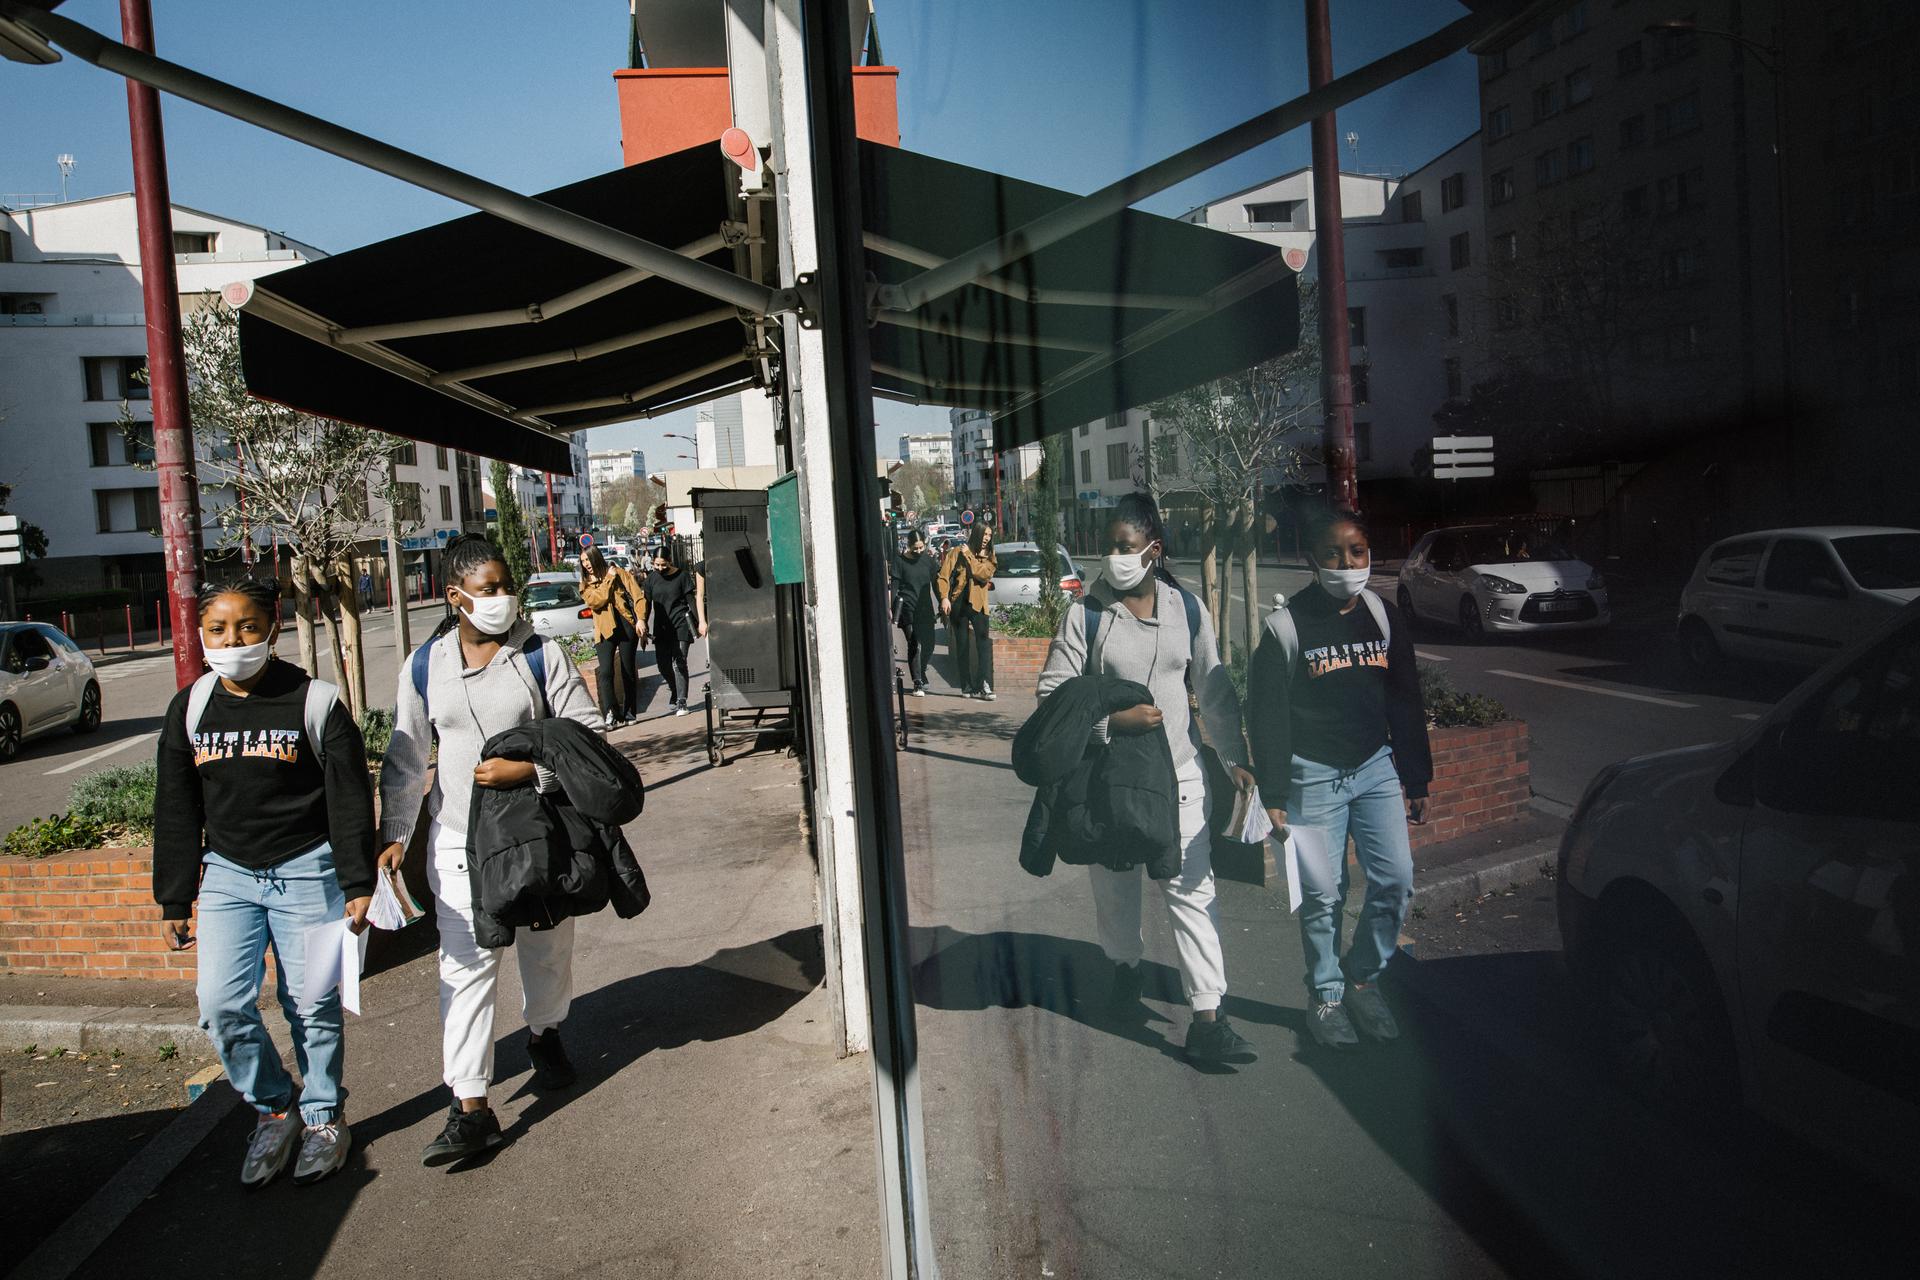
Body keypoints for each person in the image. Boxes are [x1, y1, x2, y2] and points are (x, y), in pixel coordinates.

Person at [376, 535, 603, 1165]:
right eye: (490, 588)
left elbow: (589, 738)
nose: (504, 598)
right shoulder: (423, 668)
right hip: (457, 841)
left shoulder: (539, 656)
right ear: (456, 597)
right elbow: (403, 757)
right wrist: (393, 835)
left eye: (508, 586)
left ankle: (544, 1030)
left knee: (545, 948)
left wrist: (530, 774)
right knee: (465, 967)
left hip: (536, 835)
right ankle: (470, 1106)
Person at [152, 577, 375, 1187]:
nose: (233, 640)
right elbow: (175, 805)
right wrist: (175, 896)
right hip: (228, 875)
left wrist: (359, 881)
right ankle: (275, 1109)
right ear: (201, 634)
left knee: (314, 1004)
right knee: (221, 1004)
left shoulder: (315, 702)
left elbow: (350, 798)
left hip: (311, 870)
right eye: (218, 629)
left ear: (272, 628)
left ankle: (325, 1116)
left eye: (247, 627)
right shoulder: (192, 707)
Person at [1035, 493, 1260, 1065]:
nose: (1113, 556)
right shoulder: (1085, 614)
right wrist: (1111, 722)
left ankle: (1208, 1017)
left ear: (1153, 551)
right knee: (1115, 887)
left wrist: (1235, 757)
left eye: (1125, 546)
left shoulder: (1187, 610)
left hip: (1179, 775)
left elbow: (1213, 688)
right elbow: (1051, 696)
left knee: (1191, 891)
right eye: (1110, 546)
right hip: (1108, 783)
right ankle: (1124, 968)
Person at [1246, 507, 1432, 1051]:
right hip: (1312, 777)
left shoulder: (1382, 614)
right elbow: (1268, 715)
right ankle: (1325, 993)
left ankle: (1361, 977)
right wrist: (1274, 792)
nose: (1347, 563)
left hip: (1375, 768)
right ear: (1311, 560)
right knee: (1323, 893)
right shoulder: (1286, 626)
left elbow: (1404, 697)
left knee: (1396, 880)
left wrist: (1415, 777)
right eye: (1332, 553)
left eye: (1357, 551)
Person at [579, 547, 645, 728]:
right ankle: (612, 712)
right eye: (583, 561)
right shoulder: (585, 584)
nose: (586, 565)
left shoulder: (620, 573)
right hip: (604, 630)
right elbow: (597, 600)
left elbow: (638, 596)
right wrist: (608, 578)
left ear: (596, 558)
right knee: (606, 672)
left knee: (627, 670)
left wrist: (641, 619)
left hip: (626, 625)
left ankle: (630, 711)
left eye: (588, 560)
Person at [937, 522, 998, 700]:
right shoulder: (957, 552)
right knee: (962, 646)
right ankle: (967, 686)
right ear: (977, 534)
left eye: (989, 535)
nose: (987, 538)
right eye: (984, 534)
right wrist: (944, 597)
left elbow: (982, 575)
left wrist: (969, 556)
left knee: (983, 645)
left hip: (979, 605)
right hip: (958, 603)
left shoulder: (990, 557)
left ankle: (984, 685)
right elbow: (943, 576)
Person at [641, 549, 705, 717]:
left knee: (679, 662)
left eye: (663, 564)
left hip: (681, 624)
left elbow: (691, 600)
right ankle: (675, 688)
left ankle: (682, 701)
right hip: (661, 627)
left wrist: (701, 622)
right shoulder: (651, 580)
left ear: (670, 561)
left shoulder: (682, 576)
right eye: (656, 565)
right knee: (663, 665)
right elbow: (646, 605)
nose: (660, 568)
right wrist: (643, 626)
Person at [891, 528, 938, 695]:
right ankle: (917, 681)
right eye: (915, 548)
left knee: (930, 644)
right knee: (914, 643)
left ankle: (922, 669)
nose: (918, 551)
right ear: (909, 546)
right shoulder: (900, 561)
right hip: (907, 607)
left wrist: (942, 601)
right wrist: (891, 608)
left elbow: (936, 583)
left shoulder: (928, 561)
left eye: (921, 547)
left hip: (925, 608)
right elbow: (895, 586)